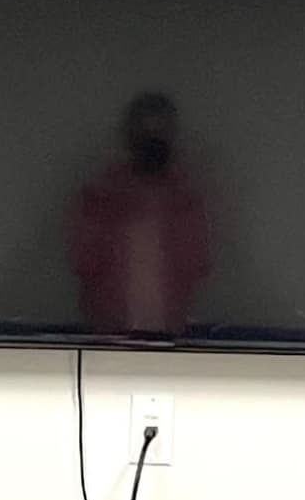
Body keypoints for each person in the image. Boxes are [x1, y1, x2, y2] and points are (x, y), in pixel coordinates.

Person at [66, 91, 215, 338]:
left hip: (172, 341)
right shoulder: (99, 198)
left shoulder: (187, 202)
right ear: (129, 137)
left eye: (159, 132)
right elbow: (82, 262)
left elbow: (198, 264)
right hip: (108, 340)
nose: (152, 142)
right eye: (144, 132)